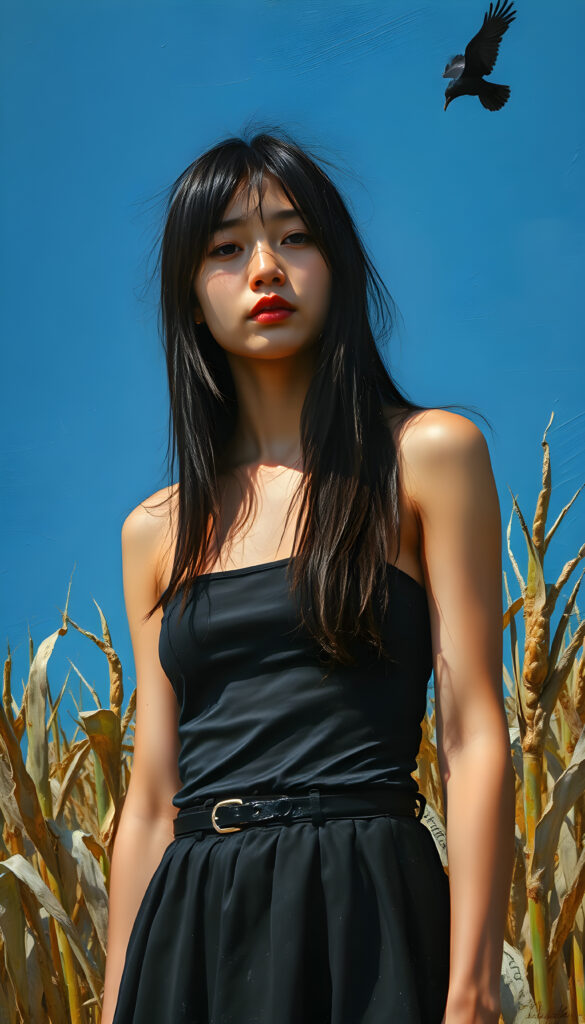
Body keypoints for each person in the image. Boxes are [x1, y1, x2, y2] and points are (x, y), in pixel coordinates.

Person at [101, 125, 515, 1024]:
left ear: (339, 265)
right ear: (189, 294)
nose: (265, 268)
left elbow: (473, 727)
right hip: (191, 930)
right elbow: (150, 797)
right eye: (226, 248)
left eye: (295, 236)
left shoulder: (427, 456)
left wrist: (473, 988)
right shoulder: (155, 533)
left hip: (364, 902)